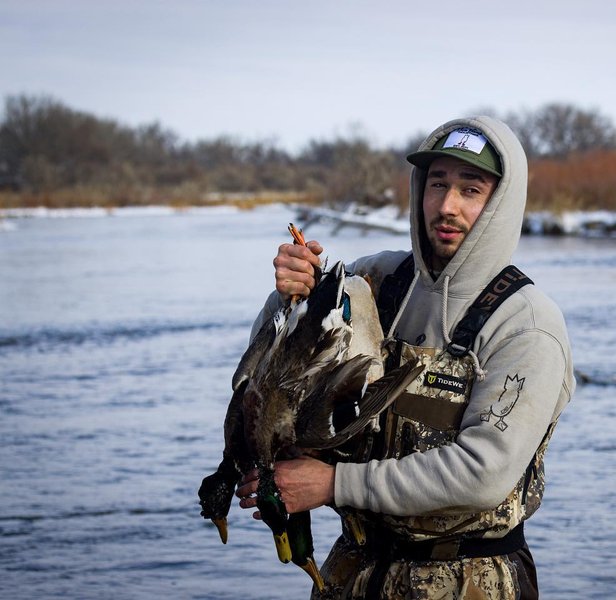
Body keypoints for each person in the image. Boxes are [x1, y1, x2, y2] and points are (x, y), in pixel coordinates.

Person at [236, 116, 575, 599]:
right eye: (437, 184)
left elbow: (482, 473)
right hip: (353, 571)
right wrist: (290, 296)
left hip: (466, 581)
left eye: (470, 190)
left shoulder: (526, 324)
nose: (447, 206)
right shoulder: (378, 280)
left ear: (501, 202)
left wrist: (333, 485)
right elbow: (279, 362)